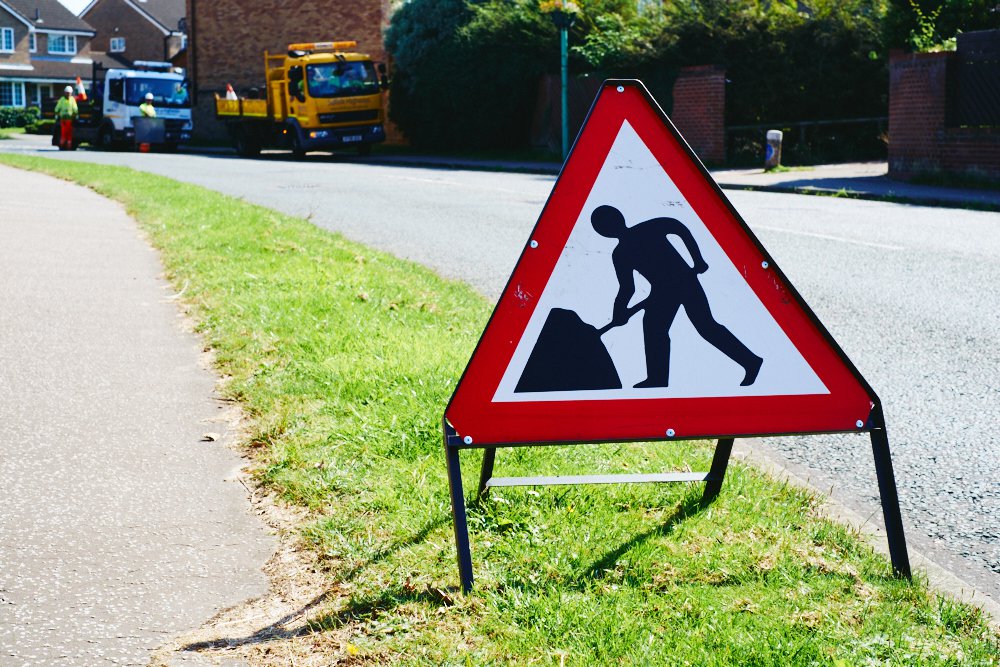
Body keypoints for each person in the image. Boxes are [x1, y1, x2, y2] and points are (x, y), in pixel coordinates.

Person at [591, 204, 763, 388]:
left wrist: (697, 259)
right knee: (653, 329)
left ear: (619, 218)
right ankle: (657, 379)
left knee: (705, 326)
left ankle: (750, 361)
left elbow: (678, 227)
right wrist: (618, 312)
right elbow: (627, 288)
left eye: (610, 223)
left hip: (685, 281)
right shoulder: (620, 254)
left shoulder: (648, 229)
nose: (610, 228)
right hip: (661, 291)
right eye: (604, 227)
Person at [54, 85, 78, 151]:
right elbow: (57, 108)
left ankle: (68, 146)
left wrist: (75, 114)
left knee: (69, 133)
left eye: (69, 93)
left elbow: (75, 108)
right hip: (63, 119)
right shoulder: (62, 100)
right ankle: (62, 145)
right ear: (65, 93)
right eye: (67, 93)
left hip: (70, 119)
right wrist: (57, 113)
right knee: (63, 133)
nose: (68, 94)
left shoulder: (72, 100)